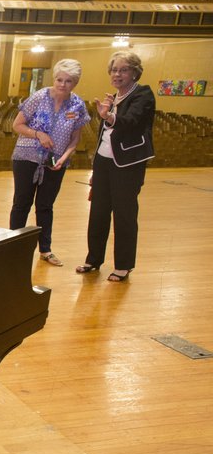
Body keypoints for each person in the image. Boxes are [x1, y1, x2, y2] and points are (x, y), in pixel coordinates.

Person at [76, 51, 156, 282]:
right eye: (114, 70)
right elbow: (106, 135)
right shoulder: (113, 97)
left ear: (134, 72)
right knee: (98, 212)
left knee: (124, 214)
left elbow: (131, 122)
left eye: (123, 70)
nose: (117, 74)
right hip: (103, 161)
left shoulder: (143, 95)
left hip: (128, 164)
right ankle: (93, 259)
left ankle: (123, 265)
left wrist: (109, 117)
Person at [10, 59, 90, 267]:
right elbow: (17, 125)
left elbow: (75, 138)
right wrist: (38, 135)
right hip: (27, 156)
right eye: (59, 79)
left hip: (56, 158)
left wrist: (64, 157)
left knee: (45, 206)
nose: (62, 84)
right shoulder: (39, 96)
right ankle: (12, 247)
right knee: (22, 203)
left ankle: (45, 250)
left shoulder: (77, 105)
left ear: (75, 83)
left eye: (68, 81)